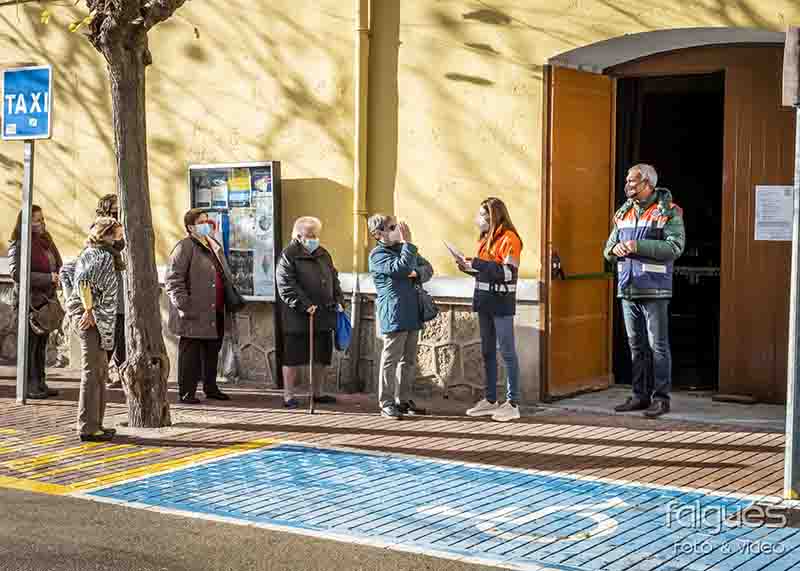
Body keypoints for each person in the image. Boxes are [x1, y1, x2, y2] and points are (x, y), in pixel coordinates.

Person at [604, 164, 685, 418]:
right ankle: (640, 396)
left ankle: (661, 399)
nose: (627, 185)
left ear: (648, 184)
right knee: (636, 347)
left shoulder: (668, 211)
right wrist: (615, 249)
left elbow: (674, 247)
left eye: (633, 181)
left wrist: (636, 245)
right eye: (627, 181)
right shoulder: (624, 212)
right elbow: (607, 250)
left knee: (657, 347)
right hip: (628, 289)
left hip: (655, 289)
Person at [458, 197, 523, 422]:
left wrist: (477, 263)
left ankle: (512, 403)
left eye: (481, 215)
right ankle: (491, 399)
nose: (478, 220)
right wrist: (467, 267)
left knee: (507, 352)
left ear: (493, 217)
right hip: (485, 302)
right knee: (487, 352)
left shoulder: (510, 239)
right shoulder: (486, 239)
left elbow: (507, 273)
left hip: (501, 303)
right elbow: (486, 272)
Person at [165, 209, 234, 404]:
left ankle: (211, 388)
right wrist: (183, 305)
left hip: (215, 309)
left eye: (207, 221)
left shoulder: (212, 244)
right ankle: (187, 392)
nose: (207, 225)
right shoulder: (184, 247)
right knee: (191, 354)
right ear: (190, 227)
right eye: (202, 222)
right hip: (193, 311)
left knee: (212, 350)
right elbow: (173, 279)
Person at [368, 214, 434, 420]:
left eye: (396, 225)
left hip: (412, 310)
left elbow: (428, 269)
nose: (398, 229)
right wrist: (409, 244)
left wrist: (416, 273)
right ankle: (386, 403)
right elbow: (401, 268)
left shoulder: (403, 249)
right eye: (392, 227)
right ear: (378, 233)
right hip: (394, 311)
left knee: (408, 360)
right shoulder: (378, 255)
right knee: (391, 359)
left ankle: (403, 400)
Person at [64, 217, 123, 441]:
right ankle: (88, 427)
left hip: (98, 318)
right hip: (91, 319)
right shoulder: (100, 255)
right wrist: (87, 309)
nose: (121, 238)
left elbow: (68, 271)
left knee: (100, 372)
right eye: (118, 234)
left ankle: (96, 423)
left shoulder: (97, 253)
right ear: (106, 235)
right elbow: (82, 281)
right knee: (92, 372)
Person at [276, 216, 342, 409]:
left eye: (315, 235)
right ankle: (289, 395)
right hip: (298, 316)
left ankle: (318, 393)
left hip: (323, 313)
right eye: (310, 235)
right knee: (293, 357)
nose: (314, 239)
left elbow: (334, 278)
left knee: (321, 356)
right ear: (298, 236)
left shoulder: (323, 254)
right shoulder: (289, 255)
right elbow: (286, 284)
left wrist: (338, 300)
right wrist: (304, 304)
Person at [8, 206, 63, 399]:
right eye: (36, 220)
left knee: (41, 346)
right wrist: (48, 278)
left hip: (46, 301)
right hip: (30, 302)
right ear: (26, 222)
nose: (40, 223)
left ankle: (41, 383)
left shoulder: (46, 240)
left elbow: (57, 262)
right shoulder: (19, 243)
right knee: (30, 347)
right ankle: (29, 386)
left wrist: (58, 276)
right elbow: (17, 273)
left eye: (41, 219)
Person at [95, 194, 127, 389]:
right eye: (115, 208)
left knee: (122, 335)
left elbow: (121, 243)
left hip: (119, 289)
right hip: (107, 293)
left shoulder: (119, 227)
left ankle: (121, 372)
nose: (117, 211)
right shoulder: (99, 228)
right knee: (109, 337)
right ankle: (102, 373)